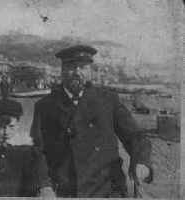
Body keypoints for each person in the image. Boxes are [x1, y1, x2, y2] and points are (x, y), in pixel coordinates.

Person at [30, 45, 153, 198]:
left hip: (108, 189)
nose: (77, 72)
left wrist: (141, 162)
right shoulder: (45, 106)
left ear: (90, 71)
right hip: (66, 191)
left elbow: (136, 137)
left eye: (82, 67)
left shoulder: (108, 100)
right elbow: (38, 151)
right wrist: (44, 186)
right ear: (62, 71)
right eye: (71, 66)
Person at [0, 98, 55, 197]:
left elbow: (40, 170)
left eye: (11, 127)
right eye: (1, 126)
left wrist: (45, 187)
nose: (6, 132)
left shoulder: (28, 148)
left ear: (18, 125)